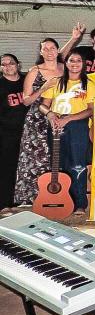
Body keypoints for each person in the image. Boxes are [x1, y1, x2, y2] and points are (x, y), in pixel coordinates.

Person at [39, 50, 95, 215]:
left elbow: (91, 110)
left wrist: (70, 118)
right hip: (56, 125)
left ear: (83, 64)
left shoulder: (89, 84)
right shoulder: (55, 82)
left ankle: (80, 203)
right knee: (59, 164)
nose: (75, 63)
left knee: (77, 164)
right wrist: (50, 114)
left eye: (78, 60)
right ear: (66, 63)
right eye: (72, 60)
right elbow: (43, 105)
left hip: (78, 126)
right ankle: (63, 200)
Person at [14, 38, 65, 206]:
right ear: (41, 52)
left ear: (58, 50)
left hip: (61, 118)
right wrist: (43, 88)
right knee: (35, 159)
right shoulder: (35, 71)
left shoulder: (65, 68)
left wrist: (74, 38)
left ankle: (56, 197)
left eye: (52, 48)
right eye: (45, 48)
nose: (49, 51)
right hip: (37, 120)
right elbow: (26, 101)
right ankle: (31, 199)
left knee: (57, 159)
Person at [0, 54, 27, 211]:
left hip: (29, 133)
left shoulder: (26, 81)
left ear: (18, 64)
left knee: (25, 167)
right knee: (7, 168)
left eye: (11, 63)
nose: (7, 66)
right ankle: (5, 203)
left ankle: (22, 199)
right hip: (7, 134)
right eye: (3, 64)